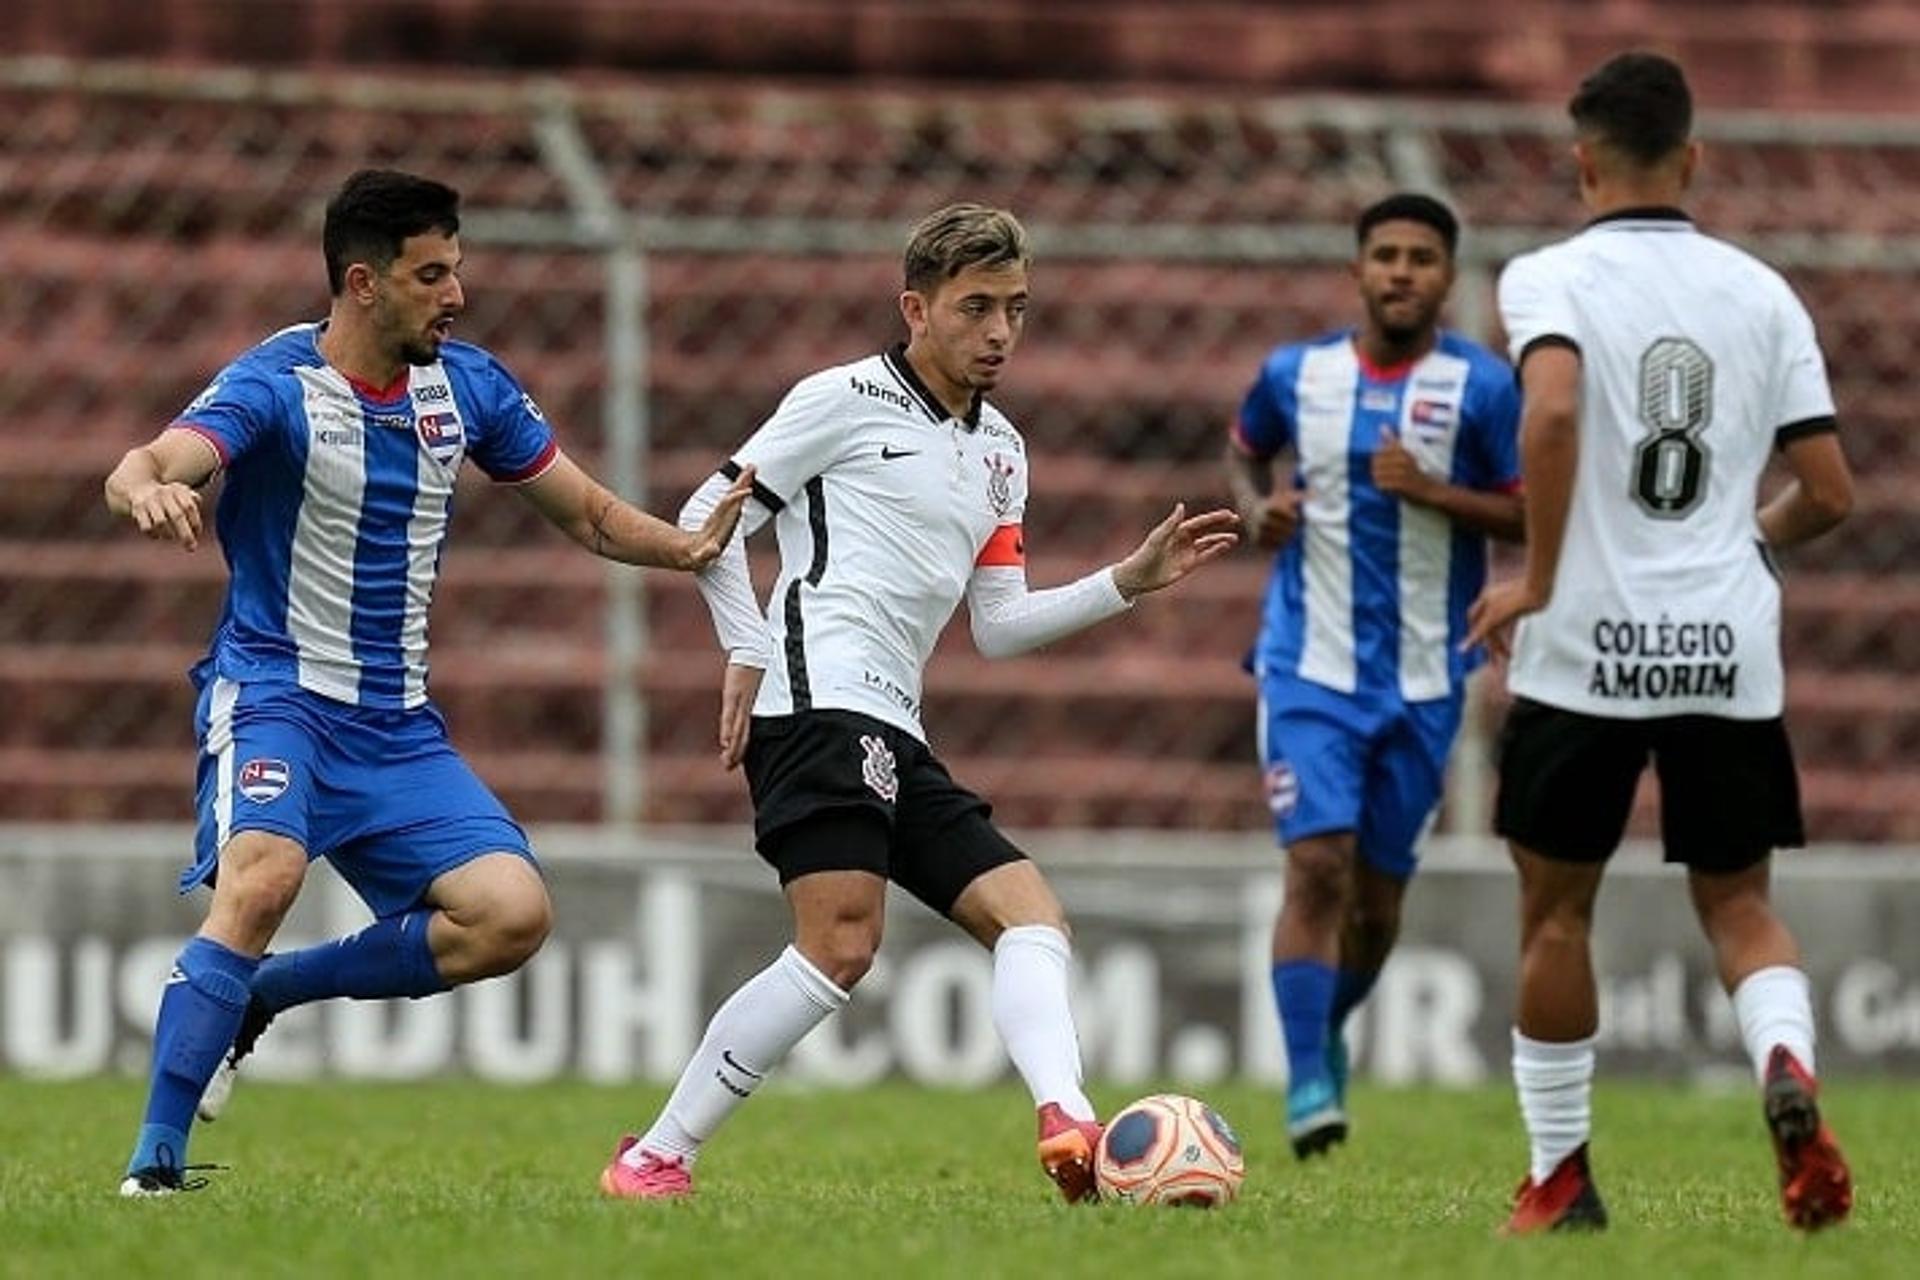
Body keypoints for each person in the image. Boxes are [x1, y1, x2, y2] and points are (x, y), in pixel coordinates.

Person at [103, 169, 754, 1196]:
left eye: (456, 270)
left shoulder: (470, 387)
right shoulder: (276, 385)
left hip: (396, 725)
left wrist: (681, 549)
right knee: (263, 876)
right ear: (363, 284)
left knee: (510, 913)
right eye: (432, 274)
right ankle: (154, 1167)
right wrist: (146, 488)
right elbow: (155, 457)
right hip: (277, 692)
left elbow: (582, 511)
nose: (457, 294)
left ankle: (261, 996)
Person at [599, 203, 1240, 1203]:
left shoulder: (1003, 452)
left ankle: (1068, 1121)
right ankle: (656, 1156)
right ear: (917, 308)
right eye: (976, 307)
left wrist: (1126, 579)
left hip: (894, 719)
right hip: (815, 699)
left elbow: (998, 622)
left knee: (1030, 915)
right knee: (840, 944)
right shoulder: (841, 397)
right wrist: (745, 647)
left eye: (1016, 310)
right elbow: (702, 517)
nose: (998, 332)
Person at [1463, 52, 1856, 1234]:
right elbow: (1830, 489)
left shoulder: (1548, 277)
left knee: (1556, 913)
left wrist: (1536, 570)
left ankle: (1563, 1174)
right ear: (1693, 158)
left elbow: (1557, 407)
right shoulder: (1764, 292)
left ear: (1582, 162)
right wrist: (1752, 543)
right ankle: (1784, 1062)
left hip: (1585, 643)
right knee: (1740, 907)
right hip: (1726, 645)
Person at [1225, 194, 1525, 1159]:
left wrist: (1435, 493)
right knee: (1316, 866)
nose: (1402, 271)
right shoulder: (1295, 374)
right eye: (1386, 254)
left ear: (1447, 276)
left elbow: (1531, 517)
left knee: (1379, 904)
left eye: (1422, 257)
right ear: (1357, 269)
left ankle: (1329, 1030)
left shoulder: (1483, 390)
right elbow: (1244, 454)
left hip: (1428, 680)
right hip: (1306, 667)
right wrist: (1259, 509)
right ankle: (1308, 1078)